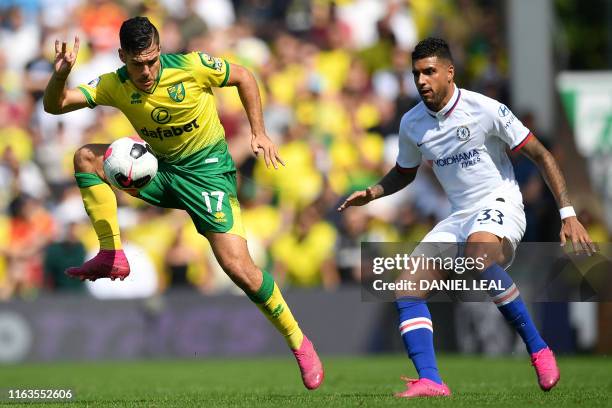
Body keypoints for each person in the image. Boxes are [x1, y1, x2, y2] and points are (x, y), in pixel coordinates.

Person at [43, 16, 323, 390]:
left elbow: (244, 76)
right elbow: (55, 105)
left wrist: (258, 132)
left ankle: (299, 342)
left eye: (152, 60)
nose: (146, 70)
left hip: (207, 175)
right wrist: (61, 74)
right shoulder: (115, 84)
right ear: (122, 55)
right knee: (85, 158)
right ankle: (112, 253)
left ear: (160, 51)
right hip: (158, 171)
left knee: (239, 268)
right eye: (137, 62)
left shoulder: (192, 66)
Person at [338, 37, 595, 398]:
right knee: (406, 288)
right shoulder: (413, 122)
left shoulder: (484, 109)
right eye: (416, 74)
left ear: (449, 72)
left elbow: (541, 155)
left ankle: (538, 348)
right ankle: (431, 380)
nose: (422, 81)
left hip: (501, 204)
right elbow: (404, 171)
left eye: (429, 72)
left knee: (477, 257)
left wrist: (567, 214)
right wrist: (374, 192)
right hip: (459, 215)